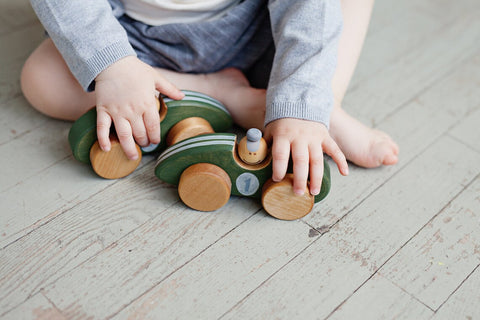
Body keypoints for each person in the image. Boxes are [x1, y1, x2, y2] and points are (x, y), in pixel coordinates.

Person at [21, 0, 399, 197]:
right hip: (137, 46)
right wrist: (114, 66)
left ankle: (315, 108)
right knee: (42, 78)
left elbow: (309, 13)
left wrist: (303, 99)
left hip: (256, 29)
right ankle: (221, 93)